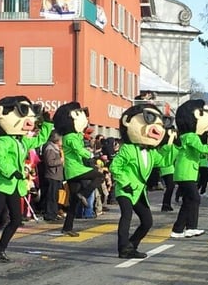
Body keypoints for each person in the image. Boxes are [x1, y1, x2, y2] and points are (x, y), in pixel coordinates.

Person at [0, 96, 53, 262]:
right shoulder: (3, 140)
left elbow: (40, 140)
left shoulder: (21, 141)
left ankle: (0, 250)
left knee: (16, 219)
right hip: (2, 183)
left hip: (14, 185)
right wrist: (12, 171)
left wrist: (47, 123)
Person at [110, 104, 177, 258]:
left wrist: (173, 145)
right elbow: (115, 167)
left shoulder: (152, 152)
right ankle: (123, 249)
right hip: (126, 189)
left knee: (147, 222)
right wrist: (125, 183)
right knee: (126, 216)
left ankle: (132, 245)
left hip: (139, 191)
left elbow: (165, 161)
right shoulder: (128, 149)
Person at [171, 100, 208, 238]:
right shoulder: (191, 136)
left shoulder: (186, 136)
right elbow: (201, 148)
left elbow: (197, 152)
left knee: (188, 200)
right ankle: (191, 227)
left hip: (185, 172)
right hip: (186, 173)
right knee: (195, 199)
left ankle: (178, 229)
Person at [52, 102, 104, 237]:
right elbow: (78, 149)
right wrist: (91, 155)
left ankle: (67, 227)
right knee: (99, 176)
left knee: (74, 201)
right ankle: (85, 194)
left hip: (74, 170)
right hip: (75, 169)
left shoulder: (74, 135)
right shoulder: (70, 137)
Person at [42, 131, 64, 222]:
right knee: (51, 196)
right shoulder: (50, 148)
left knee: (55, 196)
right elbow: (50, 162)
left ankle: (54, 213)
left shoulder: (57, 148)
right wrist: (61, 160)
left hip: (57, 175)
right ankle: (50, 214)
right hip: (52, 175)